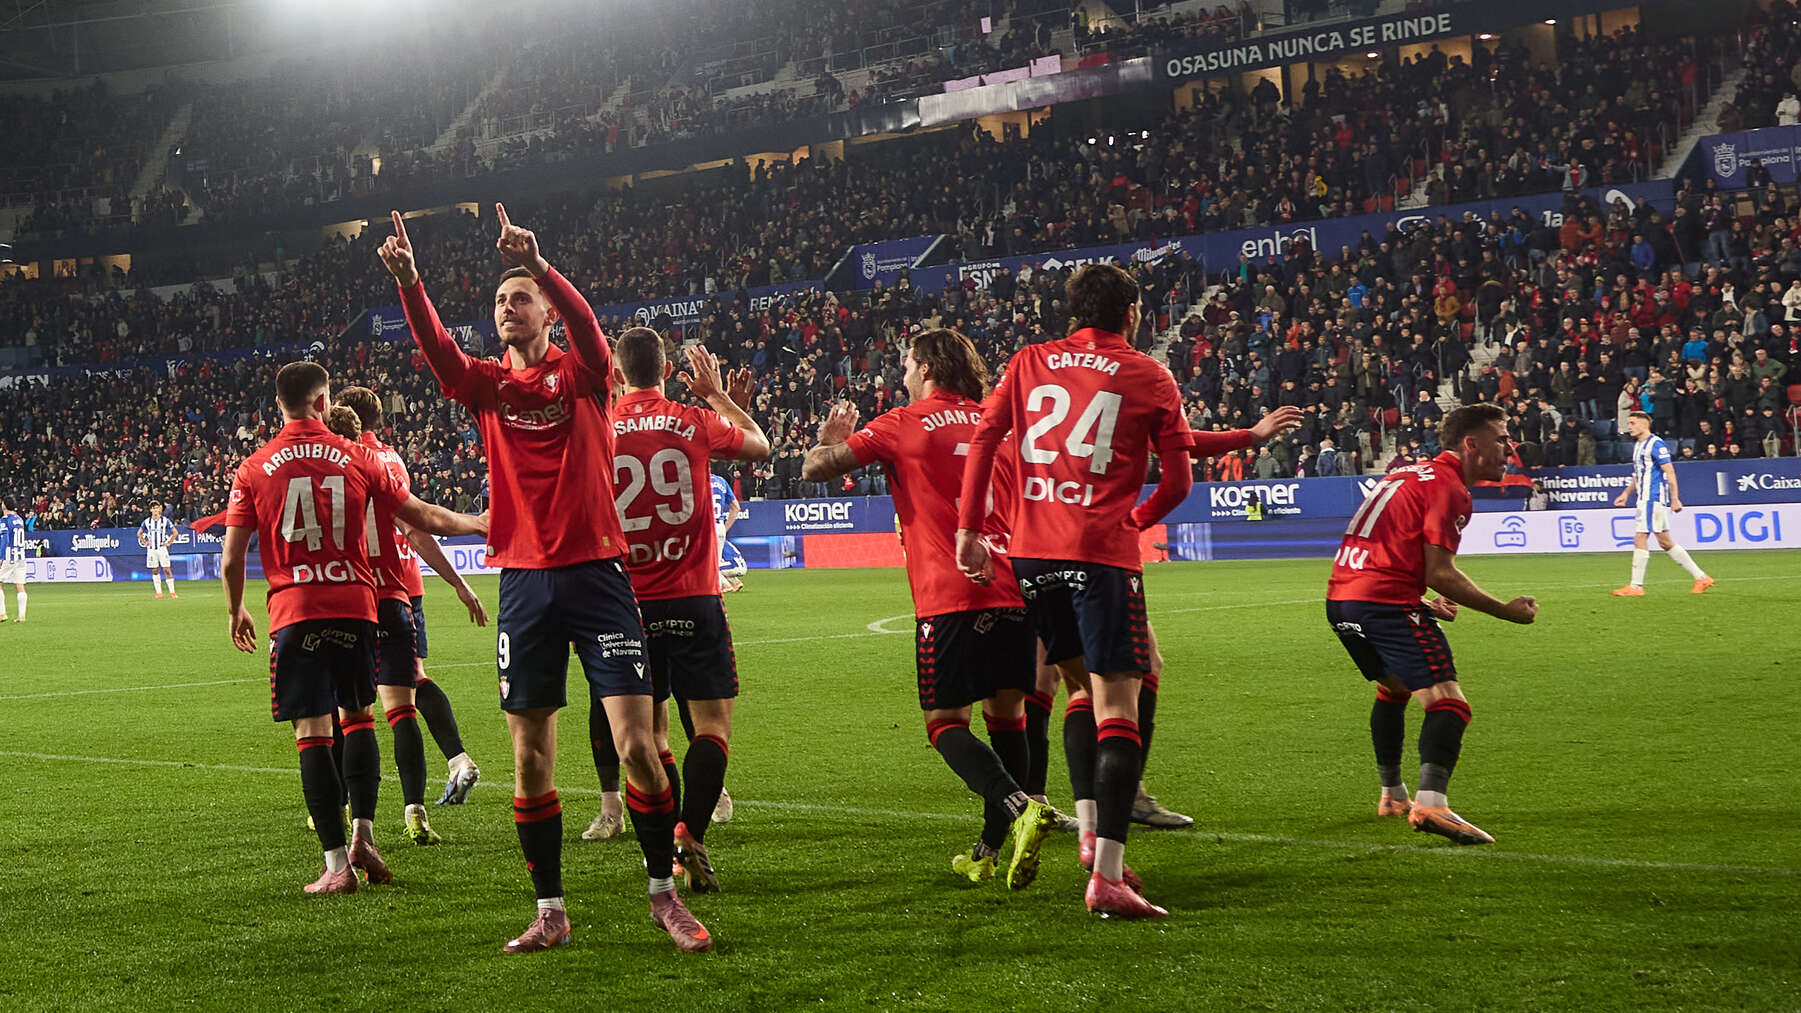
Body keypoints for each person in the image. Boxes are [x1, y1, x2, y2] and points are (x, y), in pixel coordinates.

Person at [382, 207, 709, 953]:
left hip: (596, 576)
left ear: (543, 310)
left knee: (636, 747)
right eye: (499, 300)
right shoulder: (488, 386)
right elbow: (437, 352)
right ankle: (550, 910)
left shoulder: (585, 374)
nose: (507, 307)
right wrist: (410, 282)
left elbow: (594, 333)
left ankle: (663, 892)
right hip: (524, 585)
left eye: (519, 297)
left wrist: (544, 263)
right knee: (529, 759)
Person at [955, 264, 1195, 919]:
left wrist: (969, 528)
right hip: (1100, 555)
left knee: (1080, 691)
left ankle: (1090, 831)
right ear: (1132, 312)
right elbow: (1176, 483)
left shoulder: (1029, 360)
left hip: (1034, 558)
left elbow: (983, 438)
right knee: (1123, 696)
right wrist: (1135, 520)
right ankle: (1108, 877)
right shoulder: (1149, 374)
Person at [803, 328, 1058, 889]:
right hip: (1012, 588)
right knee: (1007, 720)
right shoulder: (1000, 427)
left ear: (927, 367)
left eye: (908, 366)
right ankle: (990, 849)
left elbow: (816, 469)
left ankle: (1020, 808)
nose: (904, 377)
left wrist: (826, 438)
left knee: (945, 725)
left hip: (950, 595)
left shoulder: (902, 422)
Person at [219, 362, 486, 894]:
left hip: (295, 612)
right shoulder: (359, 456)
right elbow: (421, 516)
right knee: (360, 719)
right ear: (323, 403)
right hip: (358, 608)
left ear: (279, 405)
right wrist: (478, 522)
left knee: (314, 735)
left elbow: (231, 559)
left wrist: (235, 608)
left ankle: (338, 865)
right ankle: (366, 835)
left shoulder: (254, 467)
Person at [585, 331, 771, 894]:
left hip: (626, 604)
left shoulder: (600, 427)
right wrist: (718, 394)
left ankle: (661, 836)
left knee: (650, 735)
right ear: (667, 368)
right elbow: (761, 446)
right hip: (694, 596)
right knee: (710, 727)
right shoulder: (691, 420)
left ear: (616, 373)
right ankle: (691, 829)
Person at [1326, 403, 1538, 847]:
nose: (1508, 448)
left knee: (1395, 688)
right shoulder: (1449, 488)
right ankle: (1432, 804)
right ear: (1470, 444)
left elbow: (1390, 549)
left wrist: (1419, 600)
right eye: (1501, 439)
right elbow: (1440, 572)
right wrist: (1505, 610)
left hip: (1343, 600)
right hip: (1382, 603)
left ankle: (1393, 795)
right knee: (1449, 704)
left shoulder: (1405, 473)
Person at [325, 387, 489, 846]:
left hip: (349, 596)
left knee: (348, 713)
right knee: (404, 703)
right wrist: (458, 578)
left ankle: (343, 812)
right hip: (399, 589)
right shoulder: (390, 461)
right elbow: (417, 523)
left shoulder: (332, 465)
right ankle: (419, 805)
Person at [1611, 411, 1714, 596]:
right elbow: (1638, 475)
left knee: (1640, 537)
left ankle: (1635, 587)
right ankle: (1702, 578)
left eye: (1633, 423)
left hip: (1653, 498)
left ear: (1644, 425)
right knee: (1665, 542)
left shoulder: (1655, 444)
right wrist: (1626, 494)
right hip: (1644, 498)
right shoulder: (1638, 446)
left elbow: (1670, 471)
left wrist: (1675, 498)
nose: (1630, 426)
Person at [711, 472, 748, 594]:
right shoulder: (721, 481)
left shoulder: (698, 482)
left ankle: (725, 585)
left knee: (705, 563)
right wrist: (725, 528)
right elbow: (736, 508)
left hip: (707, 526)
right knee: (715, 560)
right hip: (720, 526)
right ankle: (734, 582)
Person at [138, 502, 179, 599]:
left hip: (162, 548)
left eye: (157, 508)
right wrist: (144, 542)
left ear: (159, 509)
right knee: (155, 570)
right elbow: (139, 533)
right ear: (151, 510)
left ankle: (172, 592)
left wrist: (169, 542)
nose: (156, 510)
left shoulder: (165, 521)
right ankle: (159, 593)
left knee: (166, 569)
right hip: (152, 549)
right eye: (154, 508)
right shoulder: (147, 522)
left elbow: (175, 532)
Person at [0, 497, 26, 622]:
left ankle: (2, 613)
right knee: (19, 585)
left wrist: (1, 557)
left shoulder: (4, 520)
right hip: (20, 556)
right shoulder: (19, 519)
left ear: (4, 506)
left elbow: (4, 539)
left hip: (9, 555)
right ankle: (21, 616)